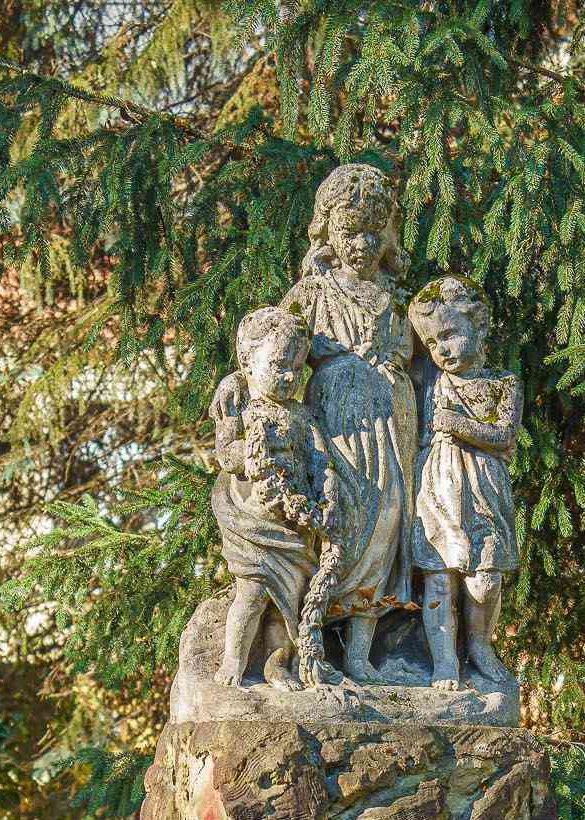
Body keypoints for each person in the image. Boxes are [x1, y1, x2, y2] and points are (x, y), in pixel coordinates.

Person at [278, 164, 418, 681]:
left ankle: (360, 653)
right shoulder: (312, 293)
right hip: (336, 421)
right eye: (350, 232)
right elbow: (272, 347)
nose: (362, 245)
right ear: (327, 230)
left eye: (373, 233)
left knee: (387, 522)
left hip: (393, 420)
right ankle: (309, 639)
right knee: (341, 521)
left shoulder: (396, 297)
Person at [209, 305, 335, 687]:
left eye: (296, 368)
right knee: (251, 594)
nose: (289, 377)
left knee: (287, 605)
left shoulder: (300, 415)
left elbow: (319, 457)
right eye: (279, 365)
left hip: (294, 524)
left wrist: (327, 488)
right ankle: (234, 659)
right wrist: (252, 457)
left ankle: (276, 664)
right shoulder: (242, 408)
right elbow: (226, 454)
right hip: (254, 522)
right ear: (248, 362)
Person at [407, 277, 521, 688]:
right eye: (432, 342)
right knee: (439, 577)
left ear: (480, 325)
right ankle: (444, 661)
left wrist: (456, 423)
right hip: (438, 487)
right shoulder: (430, 380)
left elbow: (503, 434)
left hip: (485, 488)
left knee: (485, 579)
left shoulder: (503, 383)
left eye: (450, 334)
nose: (441, 349)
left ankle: (480, 646)